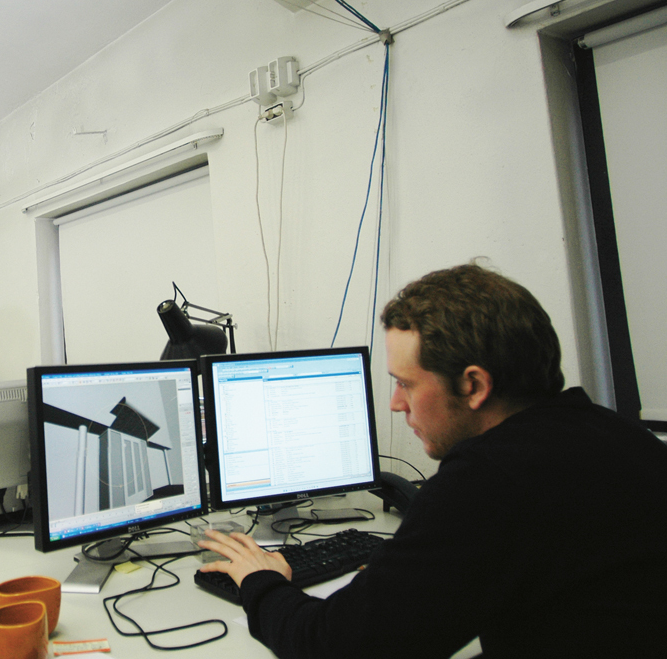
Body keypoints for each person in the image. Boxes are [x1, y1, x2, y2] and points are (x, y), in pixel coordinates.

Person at [199, 263, 667, 659]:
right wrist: (408, 574)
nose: (396, 404)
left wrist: (260, 581)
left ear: (474, 385)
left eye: (406, 383)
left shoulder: (490, 481)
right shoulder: (617, 433)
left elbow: (332, 647)